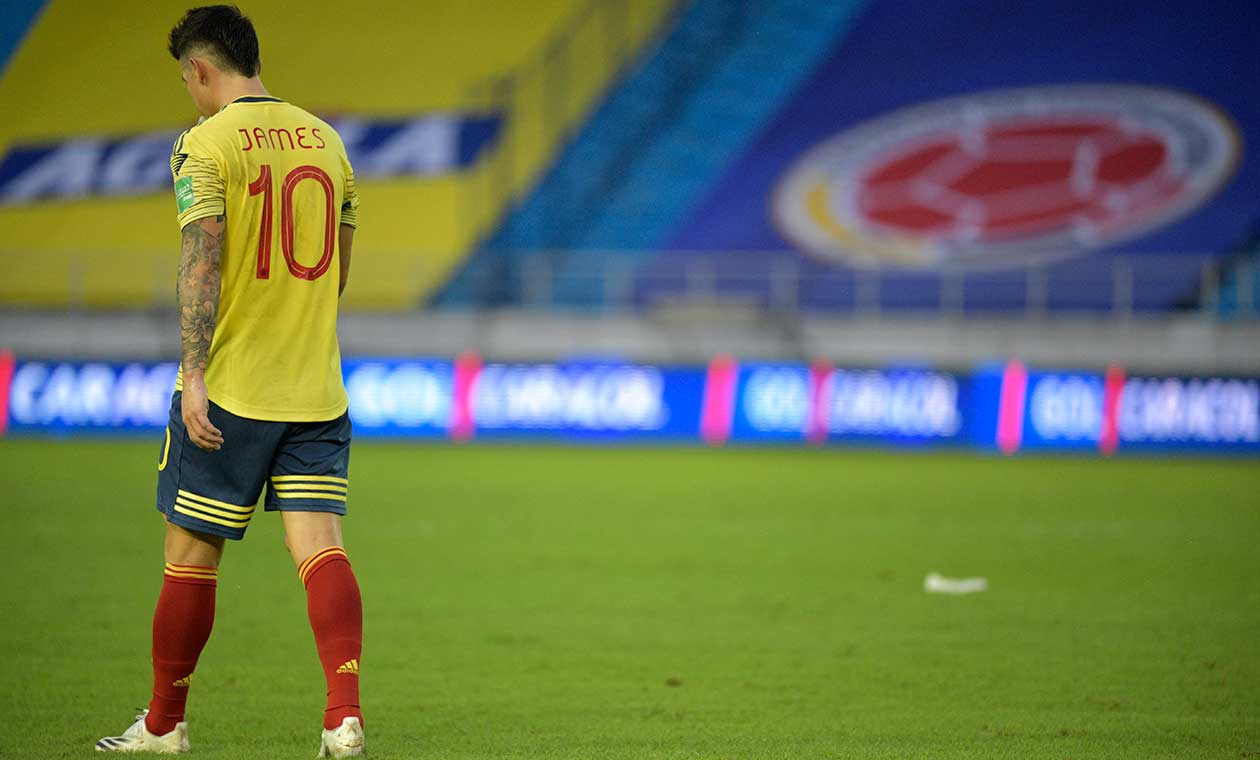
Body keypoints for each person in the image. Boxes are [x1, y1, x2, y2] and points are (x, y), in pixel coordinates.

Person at [96, 6, 365, 756]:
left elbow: (201, 259)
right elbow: (336, 275)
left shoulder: (204, 145)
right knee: (321, 549)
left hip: (234, 391)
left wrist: (194, 374)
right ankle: (343, 716)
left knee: (189, 555)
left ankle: (162, 724)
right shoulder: (329, 140)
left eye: (188, 77)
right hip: (316, 389)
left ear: (201, 70)